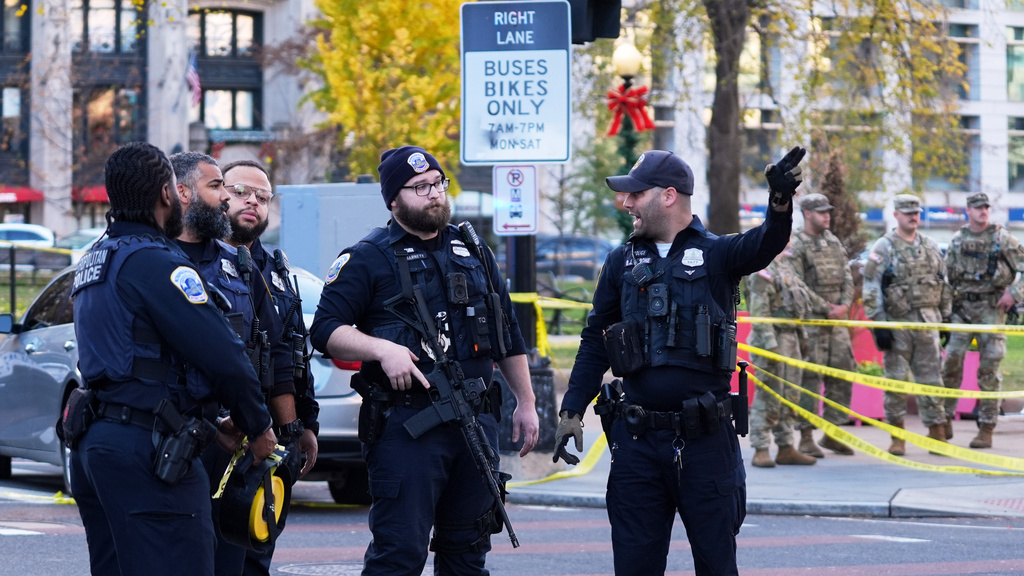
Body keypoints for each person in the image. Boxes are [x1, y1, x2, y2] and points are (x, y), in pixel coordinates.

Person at [553, 147, 803, 576]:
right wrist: (572, 409)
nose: (626, 202)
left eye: (635, 194)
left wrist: (779, 203)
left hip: (705, 442)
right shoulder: (620, 261)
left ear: (668, 196)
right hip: (637, 443)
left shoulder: (719, 254)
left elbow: (766, 243)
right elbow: (596, 339)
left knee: (716, 564)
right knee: (634, 565)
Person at [309, 145, 540, 575]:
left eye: (438, 183)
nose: (434, 194)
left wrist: (525, 402)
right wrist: (382, 348)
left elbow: (507, 333)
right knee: (399, 555)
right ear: (394, 200)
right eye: (419, 187)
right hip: (407, 429)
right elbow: (325, 330)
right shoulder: (367, 256)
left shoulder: (472, 249)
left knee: (468, 553)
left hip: (474, 424)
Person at [70, 141, 276, 576]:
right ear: (167, 194)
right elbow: (223, 355)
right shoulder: (158, 263)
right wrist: (258, 426)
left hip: (99, 444)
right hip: (149, 452)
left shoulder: (96, 259)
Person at [170, 152, 297, 575]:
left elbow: (276, 356)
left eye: (260, 195)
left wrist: (286, 431)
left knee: (233, 558)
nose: (231, 199)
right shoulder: (153, 259)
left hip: (235, 434)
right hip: (168, 432)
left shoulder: (242, 268)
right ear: (182, 193)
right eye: (226, 188)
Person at [222, 159, 320, 576]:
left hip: (272, 439)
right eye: (242, 192)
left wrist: (303, 425)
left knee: (257, 552)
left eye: (262, 197)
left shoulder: (277, 272)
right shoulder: (197, 262)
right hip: (221, 434)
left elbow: (294, 357)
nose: (253, 203)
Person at [862, 194, 952, 455]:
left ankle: (937, 433)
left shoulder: (931, 245)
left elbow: (943, 282)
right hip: (897, 326)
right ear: (896, 215)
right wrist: (879, 323)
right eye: (907, 212)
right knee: (896, 381)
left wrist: (945, 318)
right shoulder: (883, 246)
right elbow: (871, 286)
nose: (913, 216)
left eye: (916, 212)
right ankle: (897, 435)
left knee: (932, 381)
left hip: (927, 324)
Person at [940, 192, 1024, 449]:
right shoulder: (958, 240)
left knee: (989, 369)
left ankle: (986, 426)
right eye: (977, 207)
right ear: (968, 210)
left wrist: (1015, 292)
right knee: (951, 363)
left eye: (986, 207)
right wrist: (945, 313)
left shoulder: (1003, 239)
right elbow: (946, 278)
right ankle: (944, 421)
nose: (983, 211)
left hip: (991, 308)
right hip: (962, 309)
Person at [789, 192, 857, 457]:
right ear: (807, 214)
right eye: (821, 212)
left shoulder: (833, 241)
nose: (827, 215)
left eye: (828, 211)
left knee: (843, 371)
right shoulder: (798, 243)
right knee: (811, 378)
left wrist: (844, 305)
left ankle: (833, 432)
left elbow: (847, 276)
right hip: (813, 323)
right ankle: (806, 436)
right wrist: (824, 308)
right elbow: (797, 283)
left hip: (836, 321)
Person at [746, 243, 823, 468]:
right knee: (768, 395)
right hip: (771, 341)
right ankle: (761, 448)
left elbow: (801, 302)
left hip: (792, 340)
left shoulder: (787, 267)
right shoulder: (763, 269)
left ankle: (786, 446)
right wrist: (770, 347)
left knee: (790, 395)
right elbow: (760, 312)